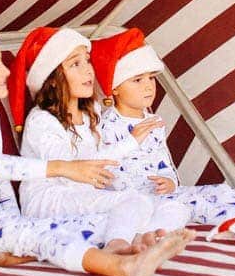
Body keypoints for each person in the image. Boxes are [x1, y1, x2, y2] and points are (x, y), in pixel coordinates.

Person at [0, 12, 185, 276]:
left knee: (56, 229)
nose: (7, 72)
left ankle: (15, 257)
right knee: (39, 233)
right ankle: (120, 265)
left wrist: (15, 217)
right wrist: (62, 168)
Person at [90, 29, 235, 232]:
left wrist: (170, 181)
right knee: (195, 204)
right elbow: (103, 170)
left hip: (164, 193)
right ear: (114, 88)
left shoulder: (153, 121)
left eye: (151, 78)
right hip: (138, 200)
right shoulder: (106, 125)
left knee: (217, 191)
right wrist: (138, 192)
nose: (148, 86)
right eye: (137, 80)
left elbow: (164, 162)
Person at [15, 27, 193, 236]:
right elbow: (72, 172)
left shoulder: (92, 113)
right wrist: (131, 141)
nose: (88, 70)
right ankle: (121, 243)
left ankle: (145, 237)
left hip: (87, 198)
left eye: (88, 60)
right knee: (133, 202)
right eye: (75, 64)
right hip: (52, 201)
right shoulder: (42, 120)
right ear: (52, 78)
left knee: (176, 207)